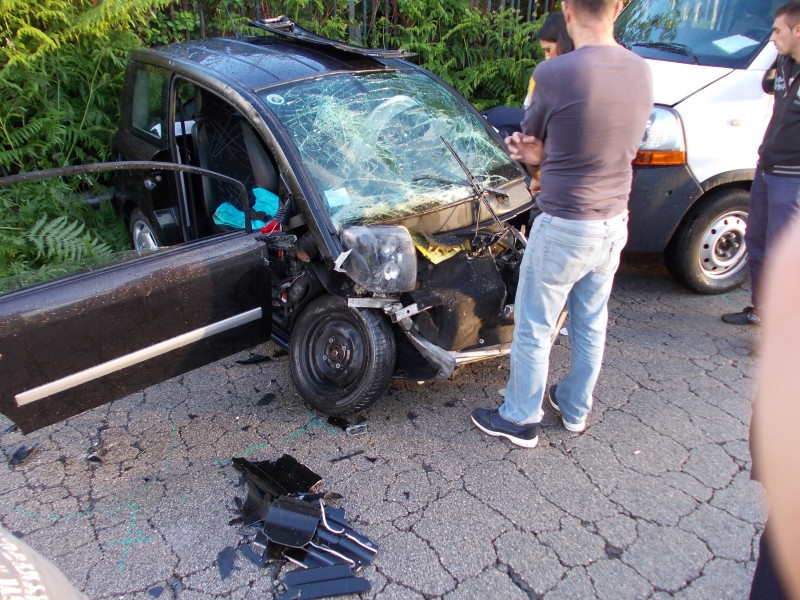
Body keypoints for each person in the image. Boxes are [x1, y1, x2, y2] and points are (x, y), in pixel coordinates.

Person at [471, 0, 653, 448]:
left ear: (567, 9)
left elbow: (534, 143)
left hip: (565, 223)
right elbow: (604, 146)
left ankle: (520, 418)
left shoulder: (555, 73)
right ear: (619, 7)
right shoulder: (641, 70)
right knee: (591, 321)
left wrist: (531, 156)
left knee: (536, 325)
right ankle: (575, 409)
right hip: (613, 221)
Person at [722, 1, 800, 326]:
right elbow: (769, 85)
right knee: (756, 243)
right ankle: (760, 311)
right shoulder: (784, 63)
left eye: (777, 29)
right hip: (767, 168)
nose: (771, 37)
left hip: (792, 178)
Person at [482, 11, 573, 138]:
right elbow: (529, 113)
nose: (547, 57)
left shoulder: (579, 77)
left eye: (549, 50)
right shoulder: (542, 73)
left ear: (565, 43)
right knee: (493, 117)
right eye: (544, 51)